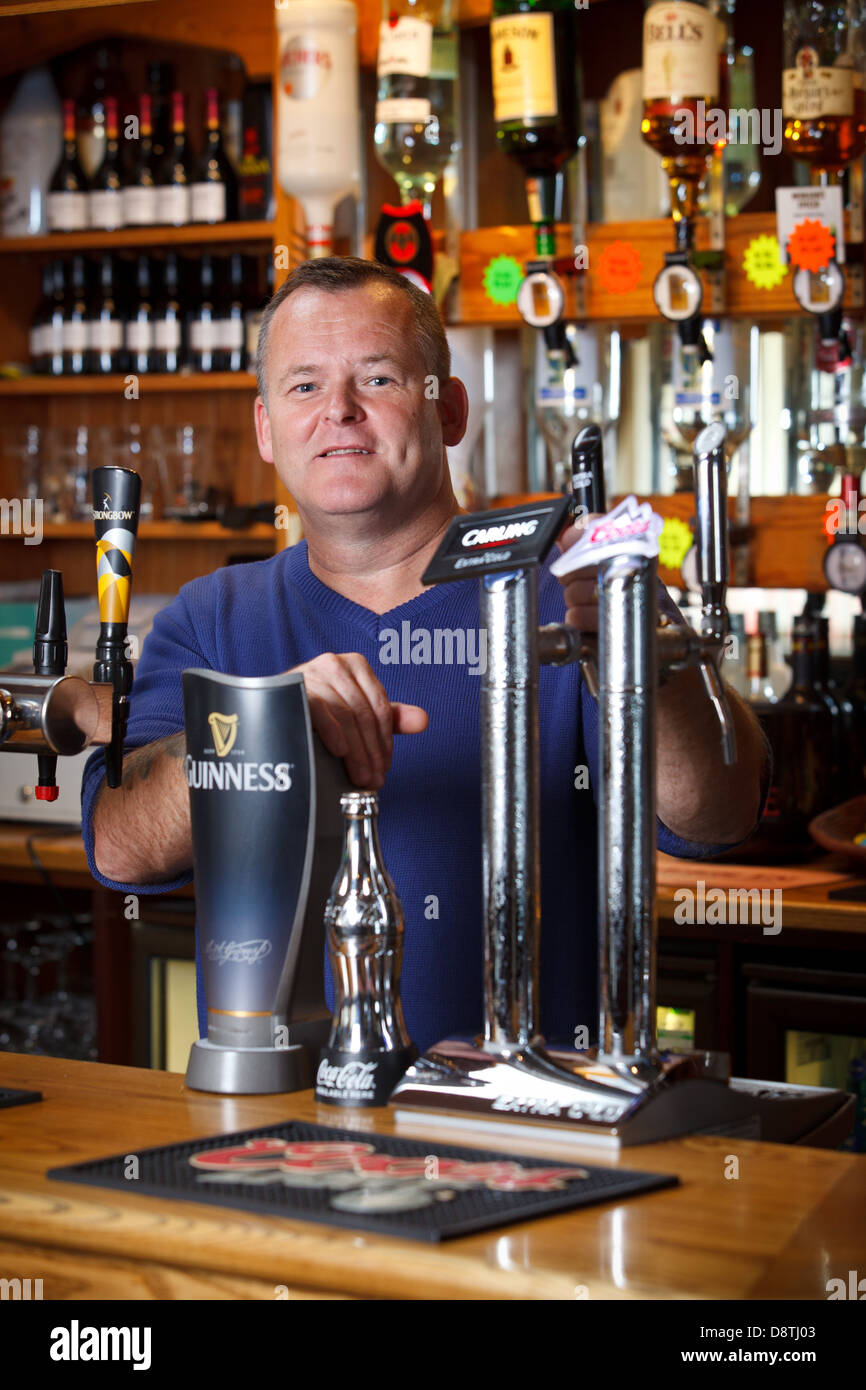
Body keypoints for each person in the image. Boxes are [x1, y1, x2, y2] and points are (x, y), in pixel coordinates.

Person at [84, 257, 768, 1054]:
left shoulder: (569, 590)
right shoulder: (212, 616)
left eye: (377, 379)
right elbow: (121, 848)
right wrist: (265, 725)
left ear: (449, 411)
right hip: (284, 1125)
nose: (338, 411)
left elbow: (721, 818)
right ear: (268, 429)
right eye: (303, 387)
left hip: (532, 1130)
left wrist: (652, 662)